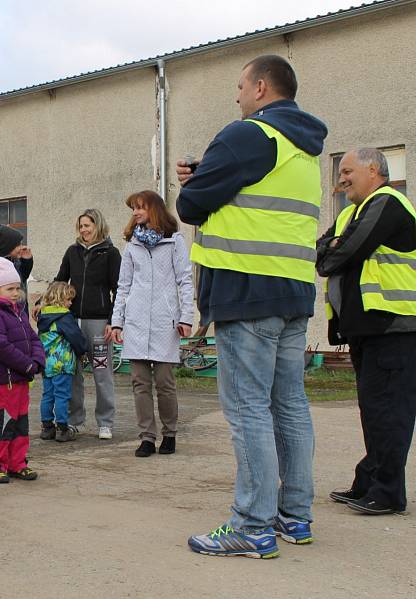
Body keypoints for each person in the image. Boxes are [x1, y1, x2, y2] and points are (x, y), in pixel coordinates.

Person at [177, 55, 327, 558]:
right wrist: (209, 172)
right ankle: (295, 517)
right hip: (291, 293)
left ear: (261, 87)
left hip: (246, 293)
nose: (236, 95)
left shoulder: (248, 135)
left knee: (248, 412)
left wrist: (198, 178)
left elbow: (190, 206)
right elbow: (252, 192)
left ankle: (252, 524)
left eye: (240, 85)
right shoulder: (303, 150)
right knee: (289, 407)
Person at [316, 148, 416, 515]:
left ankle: (388, 493)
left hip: (395, 327)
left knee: (390, 412)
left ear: (373, 170)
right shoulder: (348, 213)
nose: (341, 179)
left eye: (346, 170)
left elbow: (344, 253)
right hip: (366, 331)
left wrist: (335, 248)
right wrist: (333, 246)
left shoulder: (387, 202)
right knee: (374, 411)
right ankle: (369, 482)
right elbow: (323, 251)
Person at [110, 191, 193, 457]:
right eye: (133, 208)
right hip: (135, 323)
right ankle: (146, 437)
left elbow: (185, 280)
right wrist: (117, 323)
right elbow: (123, 286)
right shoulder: (132, 244)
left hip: (164, 323)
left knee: (165, 383)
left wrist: (186, 317)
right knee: (139, 383)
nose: (135, 212)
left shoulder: (174, 241)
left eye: (139, 207)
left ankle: (169, 434)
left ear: (154, 209)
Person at [54, 208, 121, 439]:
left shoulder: (111, 253)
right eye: (81, 226)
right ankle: (74, 420)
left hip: (99, 324)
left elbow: (119, 290)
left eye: (88, 225)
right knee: (73, 372)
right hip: (72, 323)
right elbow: (60, 280)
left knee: (102, 372)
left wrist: (114, 322)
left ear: (98, 226)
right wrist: (45, 304)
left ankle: (105, 422)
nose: (84, 230)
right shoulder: (72, 252)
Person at [0, 258, 45, 483]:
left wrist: (37, 359)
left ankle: (18, 462)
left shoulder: (17, 312)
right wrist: (26, 364)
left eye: (17, 288)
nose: (16, 293)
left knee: (20, 423)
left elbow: (32, 337)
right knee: (3, 423)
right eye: (10, 289)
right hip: (5, 380)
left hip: (21, 379)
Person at [37, 281, 89, 443]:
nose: (71, 303)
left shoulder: (43, 315)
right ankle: (63, 427)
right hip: (62, 362)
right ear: (60, 299)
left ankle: (47, 427)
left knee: (47, 395)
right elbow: (76, 338)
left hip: (47, 362)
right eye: (68, 299)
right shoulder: (64, 317)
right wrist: (83, 350)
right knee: (62, 395)